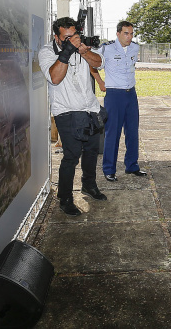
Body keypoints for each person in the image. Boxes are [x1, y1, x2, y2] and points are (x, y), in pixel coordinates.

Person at [39, 17, 108, 216]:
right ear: (57, 37)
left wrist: (84, 52)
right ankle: (65, 198)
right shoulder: (47, 52)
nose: (72, 40)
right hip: (66, 110)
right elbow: (54, 77)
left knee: (91, 151)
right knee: (71, 155)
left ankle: (89, 185)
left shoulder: (81, 48)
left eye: (74, 37)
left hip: (90, 108)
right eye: (67, 38)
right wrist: (68, 51)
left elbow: (100, 63)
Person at [101, 21, 147, 182]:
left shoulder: (135, 48)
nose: (129, 37)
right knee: (112, 133)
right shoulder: (106, 49)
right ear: (118, 33)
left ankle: (132, 166)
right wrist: (100, 82)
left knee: (133, 132)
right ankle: (109, 169)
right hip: (114, 95)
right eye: (126, 33)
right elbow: (93, 64)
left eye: (132, 33)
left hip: (130, 94)